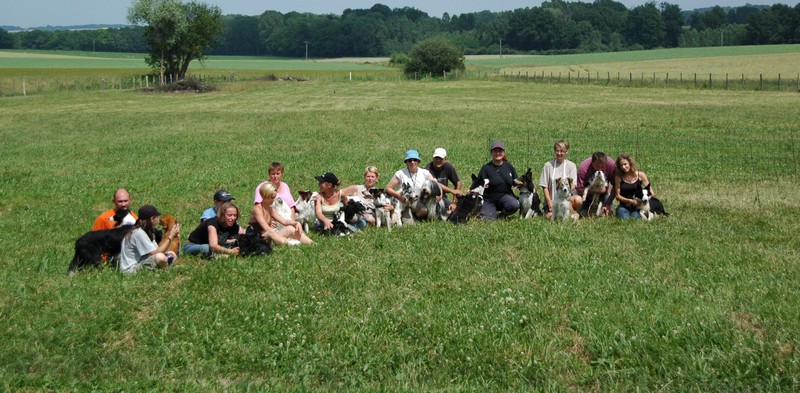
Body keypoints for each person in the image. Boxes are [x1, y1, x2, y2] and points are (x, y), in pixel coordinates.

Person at [118, 205, 180, 274]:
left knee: (172, 253)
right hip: (130, 270)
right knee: (160, 257)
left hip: (141, 261)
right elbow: (156, 253)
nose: (158, 219)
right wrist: (171, 237)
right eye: (157, 217)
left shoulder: (148, 232)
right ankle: (166, 270)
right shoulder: (138, 233)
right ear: (152, 219)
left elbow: (157, 250)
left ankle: (166, 264)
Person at [477, 140, 520, 220]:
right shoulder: (486, 168)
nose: (497, 153)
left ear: (503, 152)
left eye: (500, 151)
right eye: (495, 151)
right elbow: (478, 184)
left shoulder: (508, 166)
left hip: (504, 197)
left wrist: (527, 185)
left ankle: (502, 216)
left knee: (514, 205)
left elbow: (516, 181)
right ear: (491, 153)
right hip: (488, 199)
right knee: (488, 219)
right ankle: (489, 212)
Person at [539, 140, 580, 219]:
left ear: (566, 152)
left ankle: (572, 212)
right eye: (557, 151)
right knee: (549, 217)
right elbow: (544, 186)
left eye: (562, 151)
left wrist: (566, 196)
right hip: (553, 199)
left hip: (567, 198)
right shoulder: (548, 165)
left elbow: (573, 185)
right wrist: (549, 202)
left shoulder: (572, 166)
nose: (559, 153)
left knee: (578, 199)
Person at [576, 152, 616, 216]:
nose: (600, 169)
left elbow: (616, 185)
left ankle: (599, 211)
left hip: (604, 195)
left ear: (606, 164)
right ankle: (586, 210)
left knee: (611, 213)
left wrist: (608, 204)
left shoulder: (611, 164)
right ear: (592, 163)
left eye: (602, 167)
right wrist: (598, 190)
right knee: (578, 212)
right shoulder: (583, 167)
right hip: (587, 196)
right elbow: (580, 190)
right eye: (597, 166)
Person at [614, 153, 653, 220]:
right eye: (621, 165)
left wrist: (644, 201)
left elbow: (652, 192)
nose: (623, 167)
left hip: (638, 206)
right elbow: (617, 196)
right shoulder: (618, 177)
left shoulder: (640, 175)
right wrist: (630, 201)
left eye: (625, 164)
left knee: (635, 218)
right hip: (624, 206)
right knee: (624, 219)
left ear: (630, 163)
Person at [424, 148, 463, 214]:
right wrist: (451, 190)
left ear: (445, 159)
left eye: (441, 158)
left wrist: (454, 202)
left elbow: (458, 183)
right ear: (433, 158)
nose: (438, 160)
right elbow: (435, 184)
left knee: (453, 210)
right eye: (436, 158)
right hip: (429, 197)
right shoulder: (427, 169)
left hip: (442, 197)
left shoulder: (448, 167)